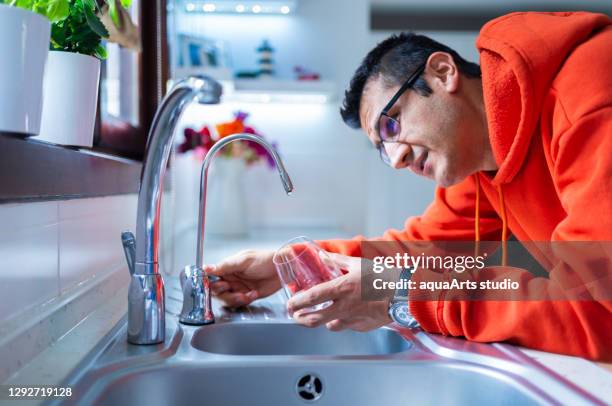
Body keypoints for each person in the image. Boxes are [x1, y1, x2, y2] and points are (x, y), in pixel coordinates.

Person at [208, 11, 612, 360]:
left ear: (442, 72)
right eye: (383, 149)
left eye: (392, 123)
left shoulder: (590, 97)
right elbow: (420, 250)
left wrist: (401, 296)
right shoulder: (486, 164)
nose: (397, 159)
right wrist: (298, 262)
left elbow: (598, 311)